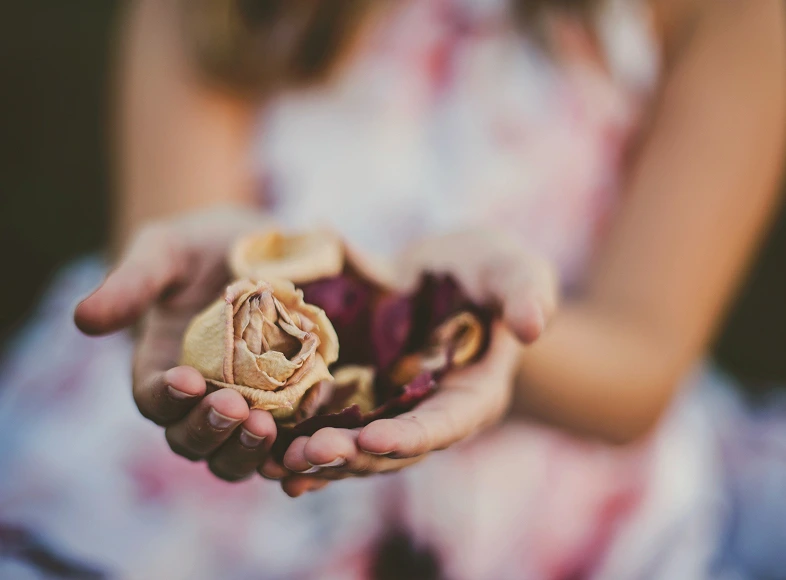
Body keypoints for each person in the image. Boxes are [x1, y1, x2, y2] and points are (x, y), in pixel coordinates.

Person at [1, 0, 784, 578]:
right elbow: (176, 242)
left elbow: (642, 356)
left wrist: (482, 334)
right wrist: (202, 294)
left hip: (535, 516)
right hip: (190, 525)